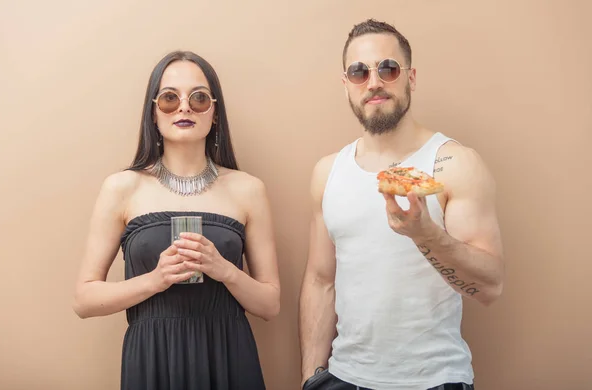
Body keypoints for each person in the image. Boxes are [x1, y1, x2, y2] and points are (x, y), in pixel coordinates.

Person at [298, 19, 504, 390]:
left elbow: (489, 288)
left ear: (410, 77)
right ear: (346, 85)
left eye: (388, 69)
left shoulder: (454, 164)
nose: (374, 82)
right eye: (359, 72)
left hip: (435, 381)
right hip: (344, 377)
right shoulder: (327, 172)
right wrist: (311, 378)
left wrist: (425, 234)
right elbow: (320, 280)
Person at [72, 50, 280, 390]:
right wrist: (156, 279)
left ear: (215, 113)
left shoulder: (248, 190)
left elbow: (270, 305)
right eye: (170, 98)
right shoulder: (122, 187)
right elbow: (83, 300)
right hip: (153, 357)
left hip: (228, 355)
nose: (184, 107)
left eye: (198, 98)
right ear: (154, 113)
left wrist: (223, 269)